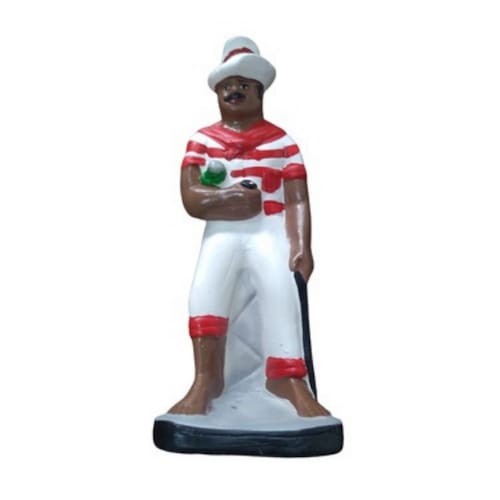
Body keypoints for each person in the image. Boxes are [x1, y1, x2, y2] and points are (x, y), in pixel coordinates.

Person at [169, 37, 330, 417]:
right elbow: (190, 196)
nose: (234, 91)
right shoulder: (203, 141)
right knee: (205, 291)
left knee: (280, 291)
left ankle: (287, 378)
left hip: (269, 229)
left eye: (243, 84)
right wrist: (226, 199)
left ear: (259, 91)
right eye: (227, 85)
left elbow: (297, 199)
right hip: (223, 232)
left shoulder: (283, 143)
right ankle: (207, 378)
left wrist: (301, 245)